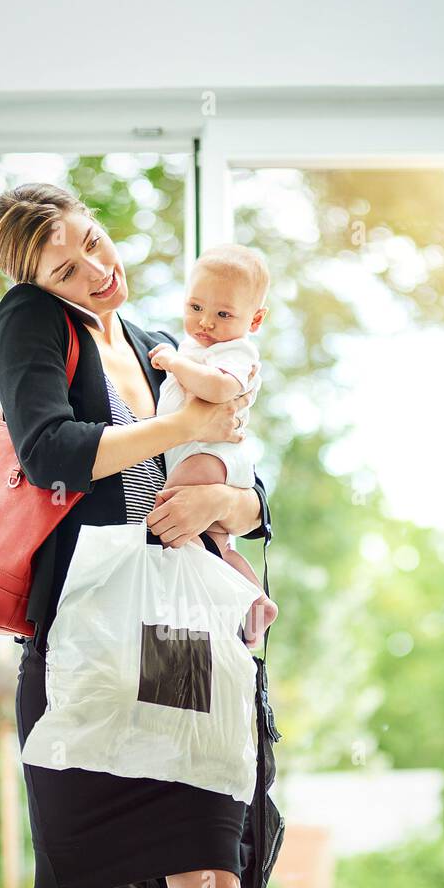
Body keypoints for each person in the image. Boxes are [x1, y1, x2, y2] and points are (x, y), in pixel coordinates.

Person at [0, 182, 281, 888]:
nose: (95, 272)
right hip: (84, 643)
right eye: (68, 267)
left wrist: (225, 505)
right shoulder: (36, 323)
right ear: (38, 282)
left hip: (182, 636)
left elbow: (253, 476)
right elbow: (51, 451)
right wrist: (173, 423)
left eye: (96, 247)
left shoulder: (163, 335)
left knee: (211, 881)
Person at [148, 243, 279, 648]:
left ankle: (241, 599)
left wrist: (173, 363)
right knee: (212, 540)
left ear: (254, 320)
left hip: (213, 458)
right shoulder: (198, 346)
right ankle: (253, 599)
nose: (205, 322)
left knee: (172, 512)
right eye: (195, 307)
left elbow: (220, 386)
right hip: (198, 454)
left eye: (223, 314)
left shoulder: (235, 352)